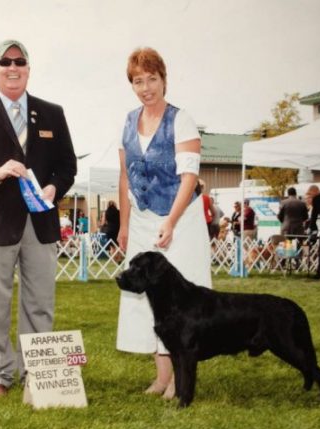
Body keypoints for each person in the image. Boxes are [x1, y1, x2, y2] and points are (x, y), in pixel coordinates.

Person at [0, 39, 77, 396]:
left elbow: (67, 166)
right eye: (5, 61)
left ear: (28, 69)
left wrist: (53, 188)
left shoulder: (52, 112)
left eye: (19, 61)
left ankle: (37, 372)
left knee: (40, 302)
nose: (13, 67)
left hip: (40, 223)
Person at [116, 47, 211, 400]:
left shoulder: (181, 119)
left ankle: (179, 381)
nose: (146, 88)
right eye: (138, 81)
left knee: (181, 303)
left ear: (164, 80)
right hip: (142, 222)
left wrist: (171, 220)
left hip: (180, 221)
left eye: (151, 79)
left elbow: (189, 176)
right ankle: (161, 378)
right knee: (149, 301)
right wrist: (124, 227)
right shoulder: (128, 121)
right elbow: (125, 178)